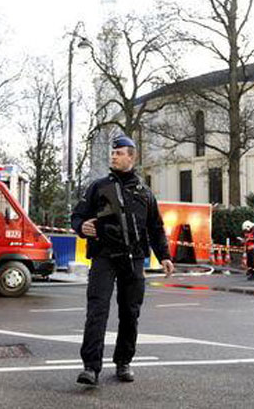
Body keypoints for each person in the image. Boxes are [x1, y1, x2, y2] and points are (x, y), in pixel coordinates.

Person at [72, 135, 175, 386]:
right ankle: (91, 368)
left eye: (119, 153)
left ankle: (123, 362)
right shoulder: (97, 187)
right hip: (103, 257)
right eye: (113, 153)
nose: (114, 156)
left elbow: (156, 228)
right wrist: (81, 226)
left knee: (130, 313)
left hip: (134, 259)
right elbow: (77, 217)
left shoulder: (145, 193)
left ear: (132, 156)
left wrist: (164, 256)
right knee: (97, 310)